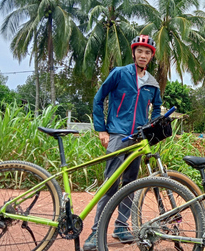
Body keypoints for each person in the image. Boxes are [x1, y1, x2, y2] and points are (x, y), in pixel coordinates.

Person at [83, 35, 162, 251]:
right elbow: (99, 99)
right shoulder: (119, 73)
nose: (143, 55)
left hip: (138, 137)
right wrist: (101, 129)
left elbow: (157, 107)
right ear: (134, 52)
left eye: (147, 52)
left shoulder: (152, 83)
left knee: (130, 183)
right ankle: (96, 231)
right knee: (111, 183)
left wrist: (151, 127)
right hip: (117, 134)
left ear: (151, 56)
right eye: (140, 51)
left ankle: (121, 226)